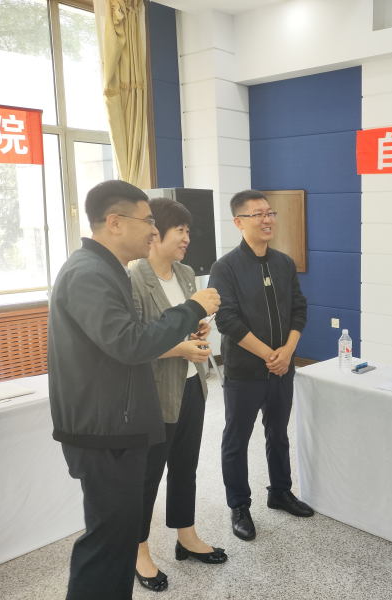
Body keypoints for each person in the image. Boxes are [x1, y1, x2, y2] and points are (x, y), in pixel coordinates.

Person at [48, 181, 220, 600]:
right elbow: (130, 343)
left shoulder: (103, 270)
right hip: (103, 431)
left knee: (116, 538)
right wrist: (192, 308)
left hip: (115, 423)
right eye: (147, 221)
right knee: (107, 543)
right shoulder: (90, 274)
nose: (153, 231)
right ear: (114, 222)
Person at [130, 198, 227, 593]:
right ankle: (138, 551)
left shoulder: (186, 274)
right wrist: (180, 348)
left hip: (192, 384)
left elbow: (190, 319)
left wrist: (199, 332)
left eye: (188, 231)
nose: (187, 238)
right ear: (155, 234)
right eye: (180, 231)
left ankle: (186, 535)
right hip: (155, 391)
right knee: (148, 475)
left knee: (185, 466)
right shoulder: (135, 279)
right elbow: (135, 343)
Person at [208, 189, 313, 543]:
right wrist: (270, 355)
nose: (267, 219)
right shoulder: (225, 268)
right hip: (245, 372)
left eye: (270, 213)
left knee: (278, 433)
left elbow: (299, 307)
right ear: (239, 222)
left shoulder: (283, 263)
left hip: (283, 368)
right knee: (236, 440)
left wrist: (288, 351)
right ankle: (239, 506)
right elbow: (227, 320)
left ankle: (280, 492)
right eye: (258, 214)